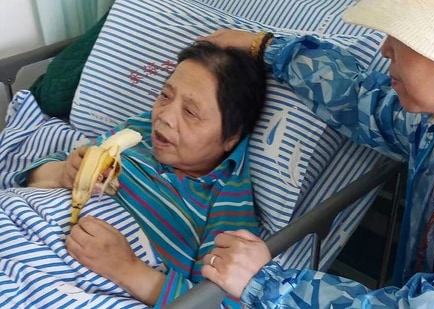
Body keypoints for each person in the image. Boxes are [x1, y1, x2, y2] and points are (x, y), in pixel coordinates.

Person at [199, 0, 434, 307]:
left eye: (400, 35)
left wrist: (264, 283)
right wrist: (266, 47)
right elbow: (355, 96)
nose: (384, 49)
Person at [16, 41, 267, 308]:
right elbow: (32, 176)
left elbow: (216, 303)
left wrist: (128, 270)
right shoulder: (140, 130)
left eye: (190, 112)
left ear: (231, 137)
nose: (164, 116)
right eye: (165, 96)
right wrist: (62, 172)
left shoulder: (226, 204)